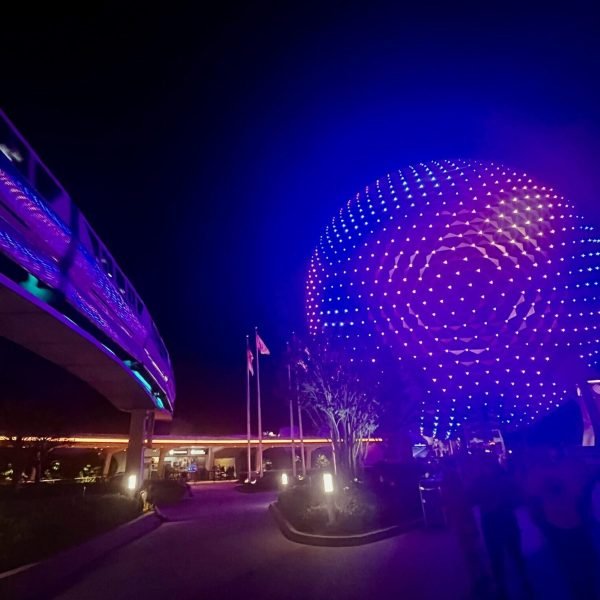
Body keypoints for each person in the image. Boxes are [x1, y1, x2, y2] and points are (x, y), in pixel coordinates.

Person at [471, 458, 532, 599]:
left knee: (499, 555)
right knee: (513, 553)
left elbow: (471, 499)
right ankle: (523, 583)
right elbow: (517, 496)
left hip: (493, 520)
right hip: (504, 519)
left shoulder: (480, 481)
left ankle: (503, 587)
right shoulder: (503, 478)